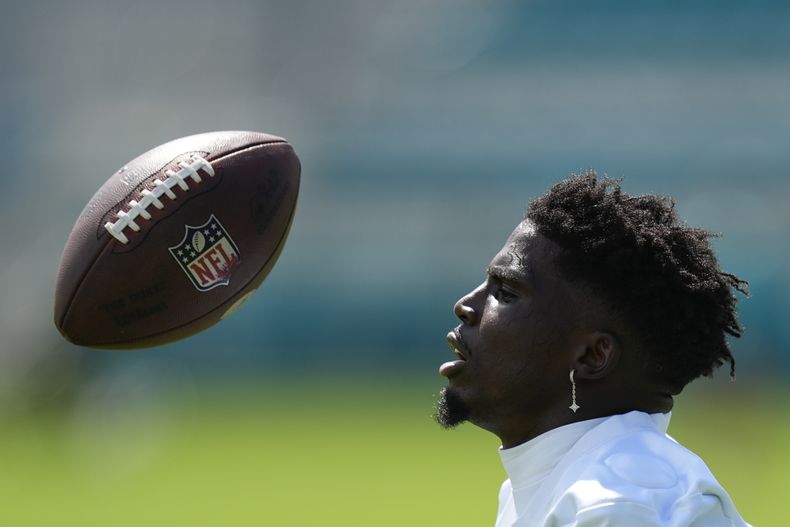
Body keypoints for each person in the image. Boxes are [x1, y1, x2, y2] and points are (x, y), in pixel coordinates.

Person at [435, 173, 751, 527]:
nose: (465, 305)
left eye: (505, 292)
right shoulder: (547, 488)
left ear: (592, 356)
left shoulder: (617, 504)